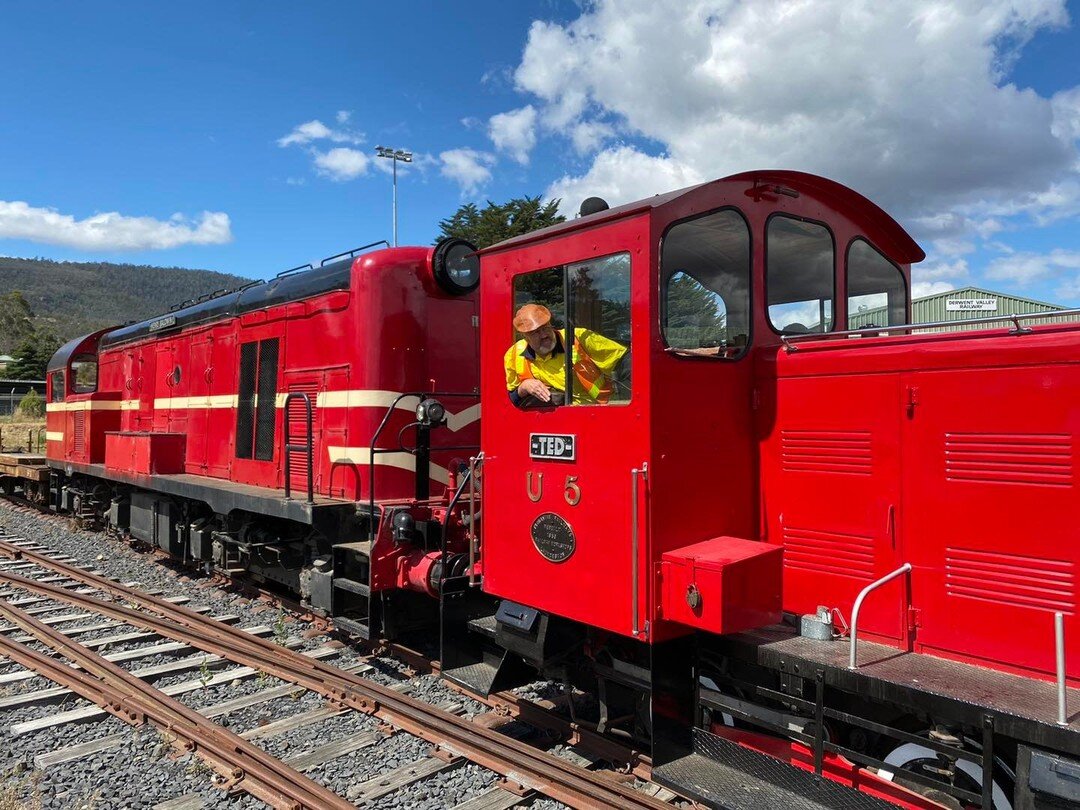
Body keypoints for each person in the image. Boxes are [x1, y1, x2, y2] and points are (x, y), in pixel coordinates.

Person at [505, 303, 627, 407]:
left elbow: (625, 360)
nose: (544, 335)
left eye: (545, 327)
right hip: (552, 422)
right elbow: (510, 402)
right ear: (525, 336)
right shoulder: (514, 355)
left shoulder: (579, 338)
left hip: (595, 412)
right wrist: (523, 388)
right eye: (535, 332)